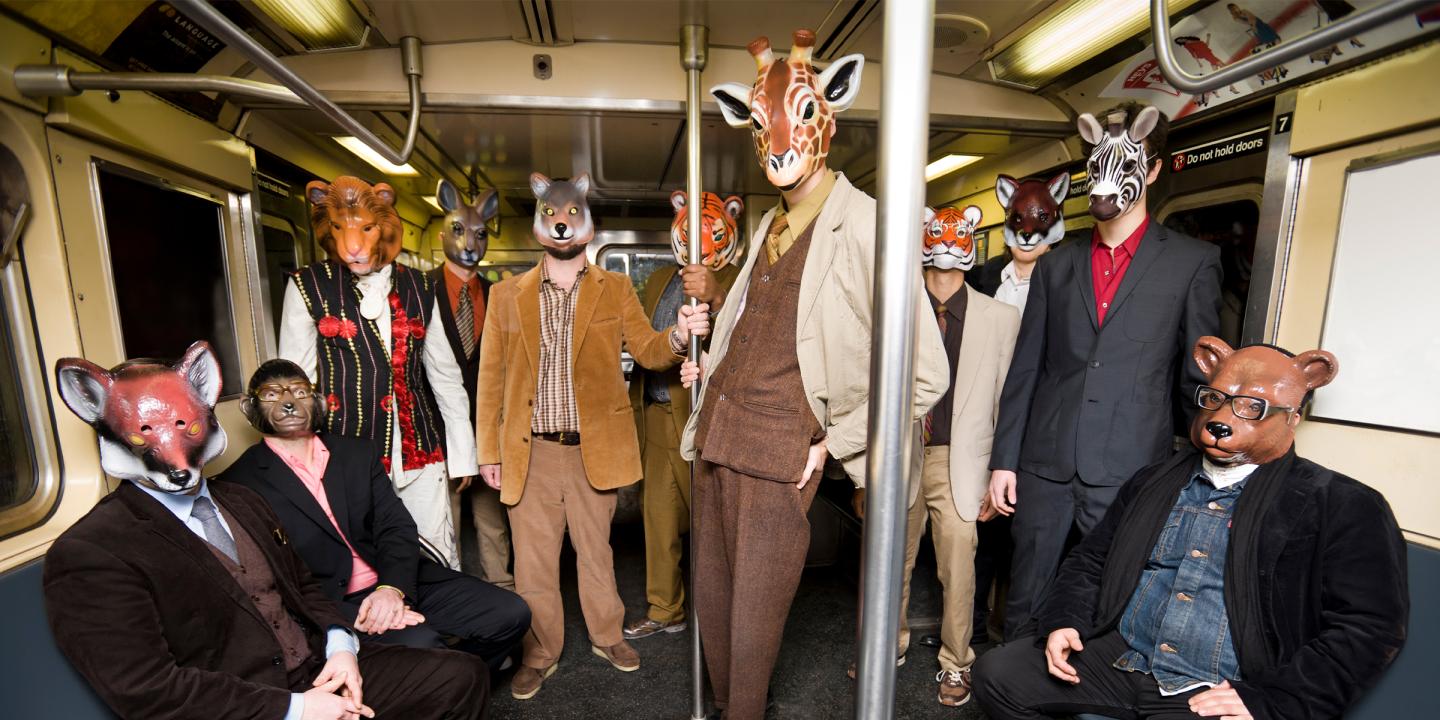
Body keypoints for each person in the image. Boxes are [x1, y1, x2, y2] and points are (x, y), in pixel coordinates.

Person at [689, 30, 949, 719]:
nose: (777, 141)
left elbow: (925, 373)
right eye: (762, 121)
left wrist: (831, 441)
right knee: (714, 610)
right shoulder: (771, 225)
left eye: (798, 116)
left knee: (752, 626)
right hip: (715, 441)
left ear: (827, 119)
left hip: (779, 456)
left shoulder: (867, 225)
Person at [48, 341, 489, 720]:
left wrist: (341, 646)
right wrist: (295, 710)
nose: (175, 458)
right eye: (145, 435)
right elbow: (146, 690)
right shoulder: (92, 551)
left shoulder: (241, 500)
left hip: (317, 663)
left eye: (186, 426)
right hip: (245, 702)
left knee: (460, 676)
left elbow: (304, 588)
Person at [973, 338, 1408, 720]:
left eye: (1252, 407)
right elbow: (1091, 559)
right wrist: (1066, 620)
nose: (1223, 417)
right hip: (1122, 656)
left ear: (1292, 417)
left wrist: (1277, 698)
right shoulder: (1153, 479)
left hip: (1217, 685)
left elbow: (1368, 627)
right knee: (998, 675)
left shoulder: (1343, 504)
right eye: (1215, 399)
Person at [989, 102, 1222, 639]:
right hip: (1045, 468)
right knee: (1024, 604)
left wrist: (1201, 470)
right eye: (1096, 162)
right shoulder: (1056, 265)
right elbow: (1027, 369)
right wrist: (1005, 461)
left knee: (1108, 604)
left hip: (1128, 471)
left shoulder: (1192, 263)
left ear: (1155, 169)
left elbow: (1194, 381)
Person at [474, 171, 710, 700]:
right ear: (539, 223)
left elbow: (649, 350)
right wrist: (488, 452)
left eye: (572, 214)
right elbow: (490, 378)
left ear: (587, 222)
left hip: (591, 451)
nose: (561, 223)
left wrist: (678, 334)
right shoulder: (507, 295)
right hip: (528, 452)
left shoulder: (616, 288)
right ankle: (539, 654)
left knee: (596, 554)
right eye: (552, 215)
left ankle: (607, 636)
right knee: (532, 562)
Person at [222, 358, 530, 670]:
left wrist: (392, 590)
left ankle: (459, 680)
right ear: (251, 408)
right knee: (424, 646)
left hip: (395, 578)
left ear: (316, 402)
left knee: (510, 613)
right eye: (272, 395)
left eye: (300, 393)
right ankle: (446, 679)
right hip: (332, 602)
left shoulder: (356, 453)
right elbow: (273, 577)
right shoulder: (239, 482)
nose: (288, 403)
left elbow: (394, 526)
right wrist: (350, 614)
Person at [851, 205, 1020, 706]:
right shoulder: (892, 311)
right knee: (887, 561)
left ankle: (956, 662)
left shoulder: (1001, 319)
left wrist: (998, 474)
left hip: (960, 459)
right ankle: (886, 647)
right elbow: (866, 391)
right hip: (899, 451)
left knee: (959, 566)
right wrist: (862, 474)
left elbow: (1007, 402)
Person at [280, 176, 476, 570]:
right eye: (341, 228)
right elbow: (295, 382)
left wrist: (463, 455)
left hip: (420, 452)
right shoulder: (307, 286)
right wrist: (298, 460)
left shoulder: (421, 285)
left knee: (434, 554)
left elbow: (444, 374)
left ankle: (447, 629)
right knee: (364, 560)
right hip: (345, 451)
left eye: (366, 228)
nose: (354, 244)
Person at [624, 190, 744, 641]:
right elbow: (647, 341)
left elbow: (746, 338)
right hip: (657, 411)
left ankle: (722, 615)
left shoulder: (739, 278)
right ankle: (665, 608)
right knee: (657, 520)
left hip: (706, 419)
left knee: (712, 526)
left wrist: (715, 294)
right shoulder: (657, 280)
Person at [425, 179, 513, 589]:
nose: (469, 243)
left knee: (493, 525)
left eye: (479, 234)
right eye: (459, 231)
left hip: (489, 434)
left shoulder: (499, 296)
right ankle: (451, 598)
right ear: (443, 232)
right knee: (444, 524)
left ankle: (502, 595)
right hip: (436, 432)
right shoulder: (419, 291)